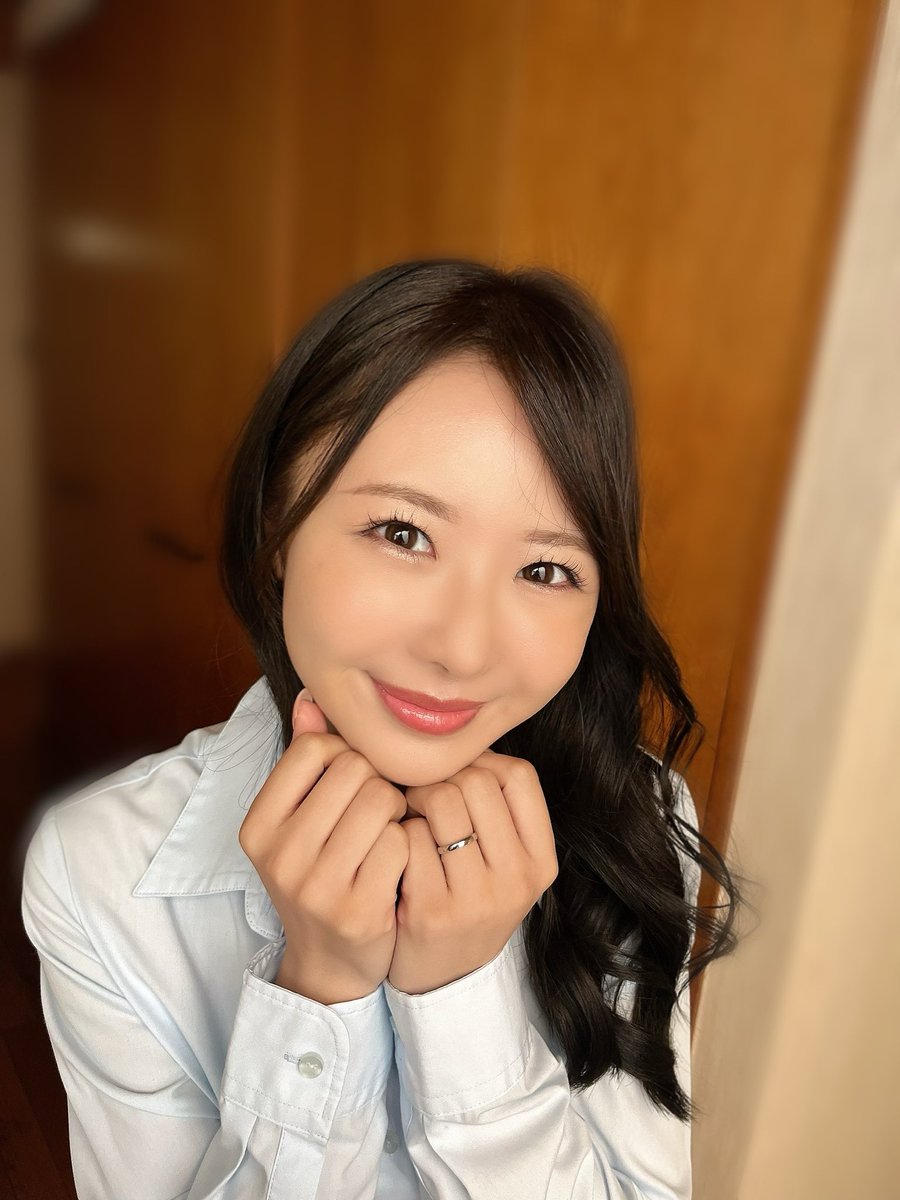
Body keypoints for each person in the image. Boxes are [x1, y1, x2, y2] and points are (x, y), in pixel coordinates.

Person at [21, 258, 738, 1199]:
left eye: (545, 570)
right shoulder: (103, 871)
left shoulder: (634, 815)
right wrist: (320, 991)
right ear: (280, 522)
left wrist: (464, 995)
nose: (463, 649)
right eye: (404, 533)